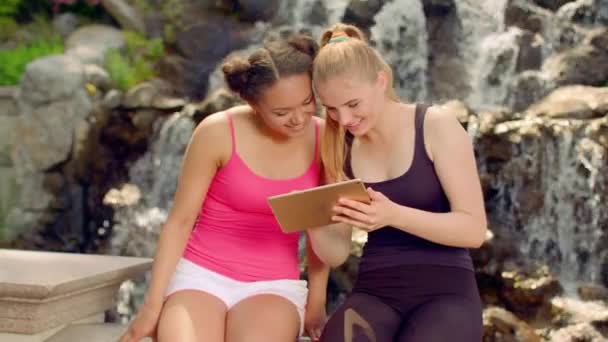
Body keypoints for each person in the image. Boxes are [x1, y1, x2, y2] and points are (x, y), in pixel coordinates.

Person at [119, 33, 329, 342]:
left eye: (307, 103)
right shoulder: (217, 132)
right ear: (252, 103)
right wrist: (152, 306)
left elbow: (320, 230)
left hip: (273, 286)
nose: (298, 119)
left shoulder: (325, 139)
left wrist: (317, 301)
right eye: (282, 113)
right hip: (199, 277)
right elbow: (180, 221)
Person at [306, 23, 487, 341]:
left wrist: (394, 215)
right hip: (375, 293)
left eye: (353, 105)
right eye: (332, 110)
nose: (344, 120)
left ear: (381, 81)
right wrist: (310, 216)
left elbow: (473, 231)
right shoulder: (339, 146)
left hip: (446, 294)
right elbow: (336, 255)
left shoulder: (435, 125)